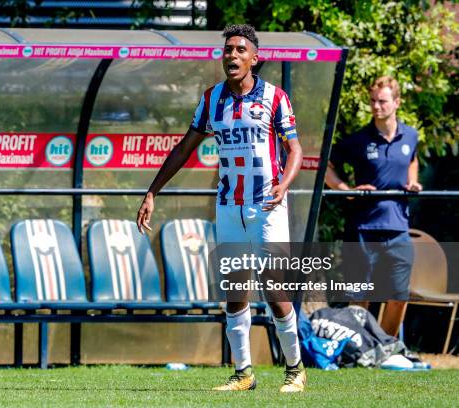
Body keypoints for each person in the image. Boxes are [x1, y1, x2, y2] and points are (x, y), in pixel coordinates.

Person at [136, 24, 306, 393]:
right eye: (228, 49)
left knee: (275, 293)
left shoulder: (275, 98)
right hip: (229, 207)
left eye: (240, 50)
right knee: (234, 292)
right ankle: (243, 373)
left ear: (254, 58)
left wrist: (284, 184)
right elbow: (184, 148)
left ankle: (295, 369)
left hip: (267, 207)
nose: (232, 55)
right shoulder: (212, 99)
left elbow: (295, 150)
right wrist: (153, 192)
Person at [325, 76, 421, 336]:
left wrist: (413, 181)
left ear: (396, 102)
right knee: (360, 294)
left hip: (399, 227)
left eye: (382, 101)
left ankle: (387, 348)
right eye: (373, 101)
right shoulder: (358, 140)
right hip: (363, 228)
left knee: (400, 294)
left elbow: (412, 159)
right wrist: (345, 190)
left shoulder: (411, 135)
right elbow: (325, 167)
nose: (377, 106)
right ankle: (361, 347)